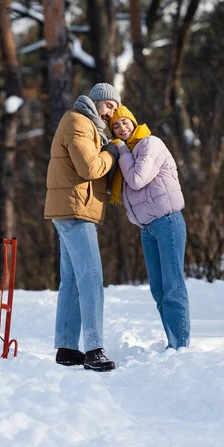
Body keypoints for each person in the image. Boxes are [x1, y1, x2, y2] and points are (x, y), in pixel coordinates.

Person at [44, 83, 121, 371]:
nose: (110, 113)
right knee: (90, 279)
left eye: (114, 109)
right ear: (97, 101)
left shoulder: (85, 124)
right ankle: (94, 349)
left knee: (73, 280)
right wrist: (112, 152)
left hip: (72, 208)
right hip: (75, 210)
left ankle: (66, 347)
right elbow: (89, 168)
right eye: (109, 106)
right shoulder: (78, 121)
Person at [107, 105, 190, 350]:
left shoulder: (148, 144)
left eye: (124, 122)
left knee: (173, 287)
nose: (121, 128)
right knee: (158, 290)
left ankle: (180, 347)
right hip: (147, 228)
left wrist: (122, 153)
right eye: (115, 125)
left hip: (167, 222)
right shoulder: (128, 153)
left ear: (133, 122)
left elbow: (137, 179)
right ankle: (172, 343)